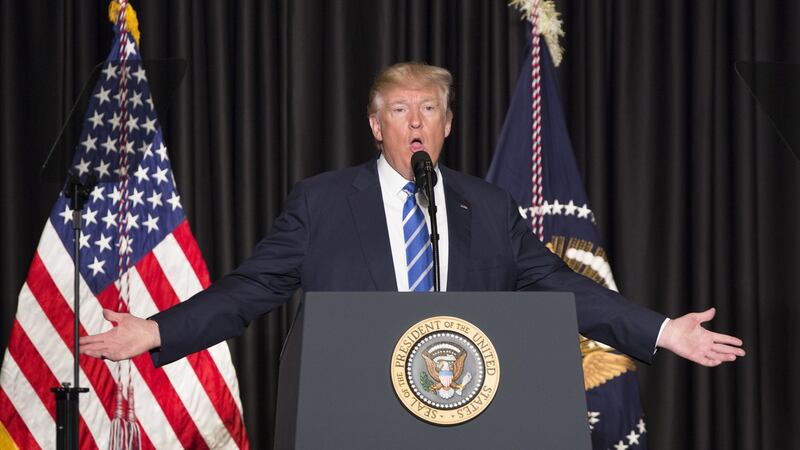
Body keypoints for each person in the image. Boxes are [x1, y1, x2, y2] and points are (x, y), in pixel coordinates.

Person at [80, 62, 744, 369]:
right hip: (353, 416)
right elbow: (252, 289)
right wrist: (158, 332)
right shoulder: (322, 202)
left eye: (429, 108)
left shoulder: (487, 208)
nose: (415, 121)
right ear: (376, 125)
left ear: (448, 125)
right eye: (400, 109)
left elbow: (561, 288)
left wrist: (661, 331)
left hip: (469, 416)